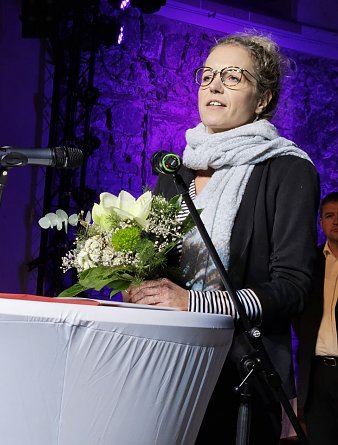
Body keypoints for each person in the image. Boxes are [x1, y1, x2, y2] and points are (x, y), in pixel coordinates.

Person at [125, 33, 319, 444]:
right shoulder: (175, 170)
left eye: (233, 77)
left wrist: (193, 302)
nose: (213, 85)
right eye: (208, 75)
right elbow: (160, 265)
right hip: (171, 365)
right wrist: (138, 288)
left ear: (263, 98)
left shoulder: (287, 169)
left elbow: (294, 288)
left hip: (243, 375)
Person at [295, 192, 338, 445]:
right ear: (320, 222)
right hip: (317, 372)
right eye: (329, 216)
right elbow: (296, 310)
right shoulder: (309, 262)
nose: (335, 221)